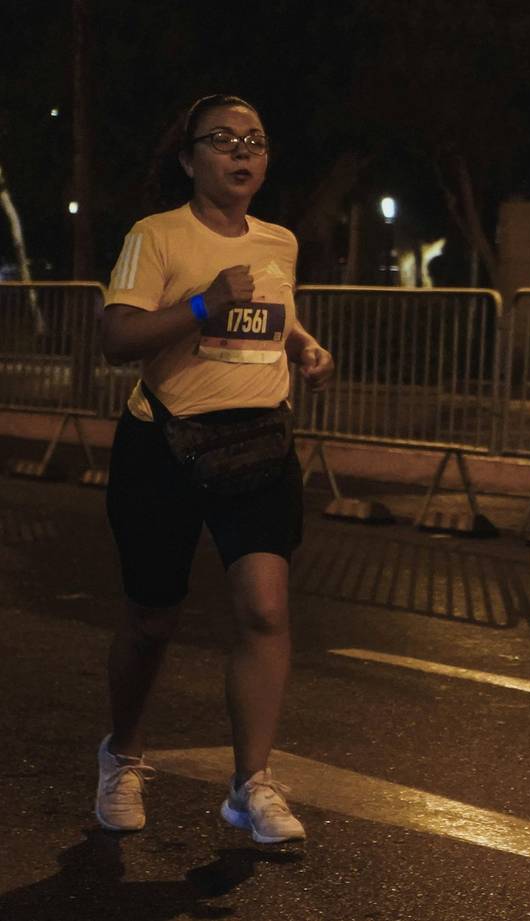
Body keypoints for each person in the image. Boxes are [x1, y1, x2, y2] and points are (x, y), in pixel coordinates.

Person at [93, 94, 333, 844]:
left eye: (255, 140)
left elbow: (274, 317)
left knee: (265, 609)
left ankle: (250, 784)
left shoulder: (279, 241)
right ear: (188, 157)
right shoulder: (156, 235)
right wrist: (202, 304)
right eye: (224, 138)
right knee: (152, 618)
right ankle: (122, 755)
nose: (242, 151)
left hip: (258, 443)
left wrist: (304, 346)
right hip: (163, 446)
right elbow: (117, 338)